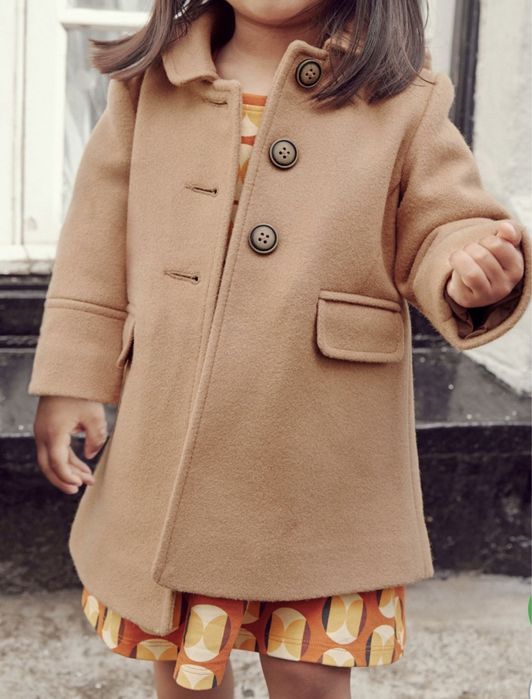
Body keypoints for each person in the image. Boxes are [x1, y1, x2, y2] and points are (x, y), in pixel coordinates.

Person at [28, 0, 530, 697]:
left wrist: (469, 266)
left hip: (319, 455)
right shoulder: (155, 83)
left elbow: (443, 222)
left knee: (307, 671)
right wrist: (71, 377)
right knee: (186, 663)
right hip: (172, 440)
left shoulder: (401, 99)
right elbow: (96, 238)